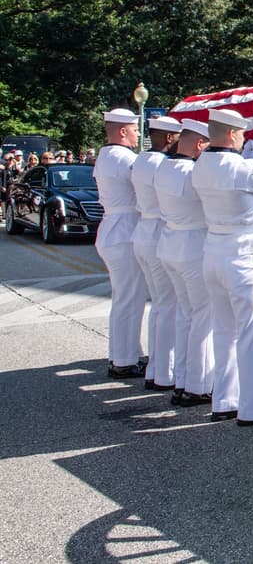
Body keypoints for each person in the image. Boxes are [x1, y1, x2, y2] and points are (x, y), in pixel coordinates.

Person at [191, 108, 253, 425]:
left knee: (224, 332)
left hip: (213, 251)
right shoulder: (244, 168)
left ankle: (224, 400)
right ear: (234, 135)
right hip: (245, 256)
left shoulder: (200, 166)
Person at [155, 119, 213, 407]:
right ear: (200, 144)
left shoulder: (163, 166)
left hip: (169, 242)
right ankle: (198, 385)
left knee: (185, 314)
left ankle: (181, 380)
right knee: (203, 315)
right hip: (193, 245)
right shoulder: (193, 172)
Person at [130, 115, 184, 391]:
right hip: (159, 231)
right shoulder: (163, 164)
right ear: (167, 138)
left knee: (160, 305)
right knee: (168, 305)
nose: (178, 143)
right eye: (177, 138)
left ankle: (156, 367)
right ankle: (165, 371)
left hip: (143, 231)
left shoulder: (140, 159)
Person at [95, 108, 148, 379]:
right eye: (135, 129)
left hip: (113, 228)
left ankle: (126, 353)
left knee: (124, 297)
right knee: (130, 298)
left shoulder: (106, 156)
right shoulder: (124, 158)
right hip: (124, 230)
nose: (138, 134)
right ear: (123, 131)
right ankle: (124, 360)